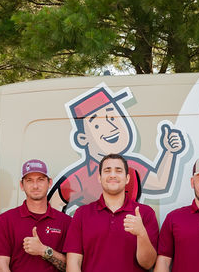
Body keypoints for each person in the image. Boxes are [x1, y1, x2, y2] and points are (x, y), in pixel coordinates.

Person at [49, 85, 185, 211]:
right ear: (82, 138)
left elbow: (159, 183)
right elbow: (55, 203)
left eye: (113, 118)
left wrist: (169, 152)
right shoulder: (79, 177)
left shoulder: (131, 166)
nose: (112, 128)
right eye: (98, 124)